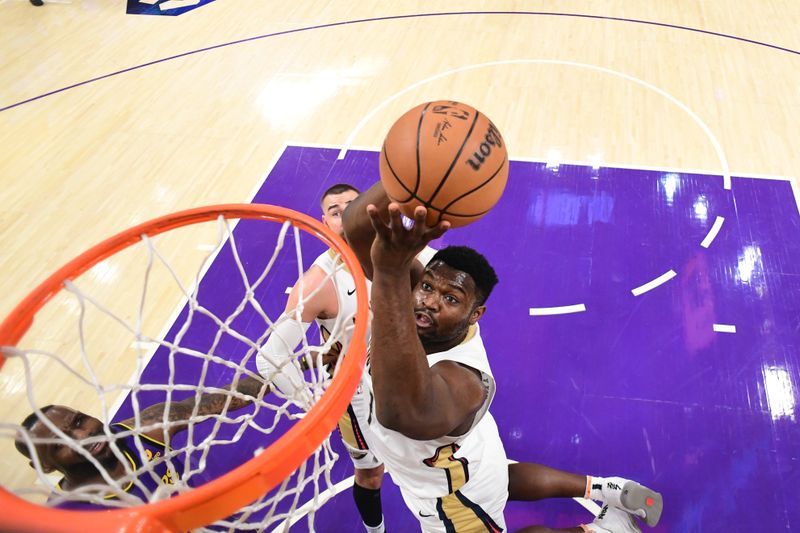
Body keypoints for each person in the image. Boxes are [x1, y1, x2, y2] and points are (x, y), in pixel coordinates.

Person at [342, 182, 662, 533]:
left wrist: (388, 273)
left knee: (501, 495)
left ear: (475, 314)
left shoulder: (465, 379)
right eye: (428, 286)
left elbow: (399, 412)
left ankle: (603, 531)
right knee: (504, 478)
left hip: (454, 499)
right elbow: (354, 229)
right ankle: (607, 489)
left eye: (452, 299)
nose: (430, 301)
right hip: (473, 456)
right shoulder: (415, 299)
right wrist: (401, 181)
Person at [255, 183, 388, 533]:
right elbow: (269, 358)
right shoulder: (317, 283)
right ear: (324, 223)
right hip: (356, 389)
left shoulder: (399, 251)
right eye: (335, 210)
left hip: (398, 369)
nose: (346, 213)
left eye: (353, 205)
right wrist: (314, 406)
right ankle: (377, 531)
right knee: (372, 474)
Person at [14, 374, 268, 508]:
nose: (83, 437)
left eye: (79, 421)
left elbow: (222, 399)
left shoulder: (146, 430)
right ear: (44, 466)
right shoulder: (68, 519)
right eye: (60, 444)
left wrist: (290, 366)